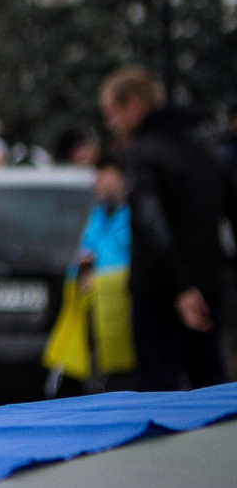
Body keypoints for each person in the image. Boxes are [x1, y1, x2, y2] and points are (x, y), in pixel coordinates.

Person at [99, 66, 235, 391]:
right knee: (211, 394)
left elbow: (150, 225)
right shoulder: (207, 153)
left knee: (158, 397)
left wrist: (181, 289)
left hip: (160, 295)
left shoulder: (142, 155)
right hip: (208, 293)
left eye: (111, 112)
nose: (110, 124)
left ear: (132, 104)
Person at [44, 155, 134, 395]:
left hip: (126, 330)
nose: (96, 181)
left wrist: (100, 280)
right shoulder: (99, 215)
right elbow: (86, 252)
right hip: (96, 326)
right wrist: (82, 269)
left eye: (102, 173)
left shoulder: (134, 215)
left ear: (120, 176)